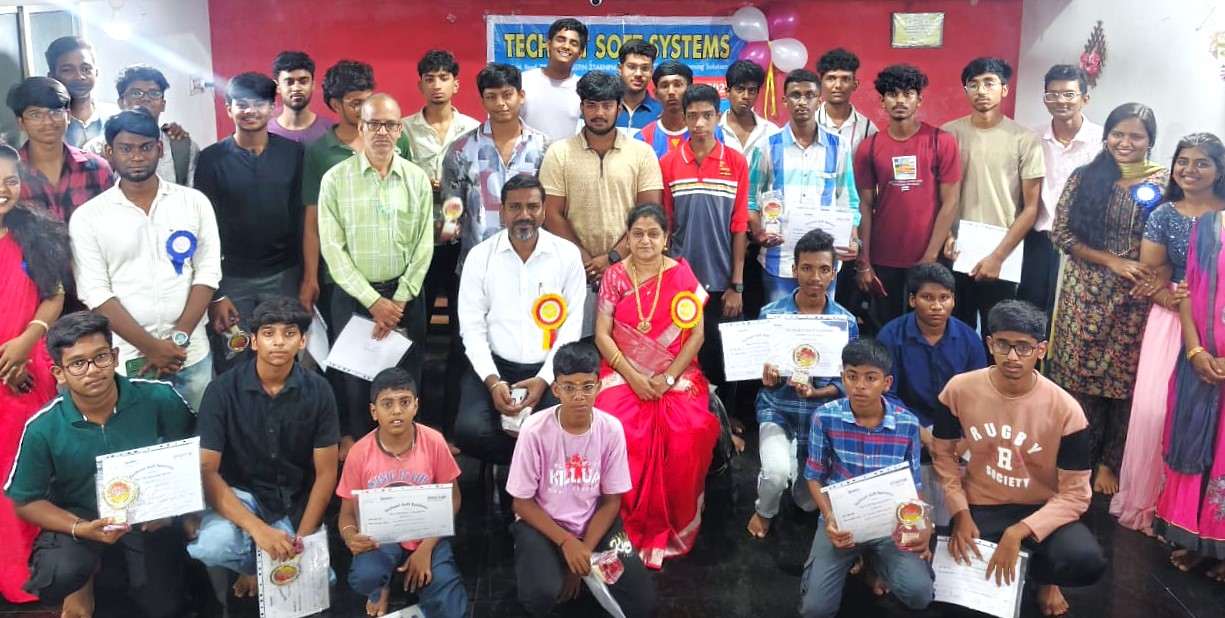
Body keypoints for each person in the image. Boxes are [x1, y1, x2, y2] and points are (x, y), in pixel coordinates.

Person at [5, 312, 195, 617]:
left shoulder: (158, 397)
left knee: (163, 606)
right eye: (78, 363)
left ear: (115, 356)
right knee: (60, 571)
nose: (92, 370)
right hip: (80, 516)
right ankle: (81, 584)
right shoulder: (43, 427)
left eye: (101, 357)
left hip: (148, 512)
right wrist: (81, 528)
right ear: (59, 373)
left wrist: (173, 508)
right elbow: (26, 502)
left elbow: (197, 453)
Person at [933, 300, 1106, 617]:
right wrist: (960, 513)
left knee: (1085, 560)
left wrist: (1018, 531)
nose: (1012, 356)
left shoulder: (1066, 410)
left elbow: (1076, 494)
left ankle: (1045, 579)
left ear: (1041, 350)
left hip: (1041, 506)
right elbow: (943, 456)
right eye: (1003, 344)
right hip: (981, 506)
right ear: (990, 344)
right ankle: (1017, 562)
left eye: (1024, 347)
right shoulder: (958, 390)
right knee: (958, 608)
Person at [592, 204, 721, 568]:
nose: (645, 241)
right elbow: (602, 335)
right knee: (619, 428)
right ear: (627, 238)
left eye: (653, 234)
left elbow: (696, 336)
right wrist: (633, 377)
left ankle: (677, 522)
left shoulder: (682, 276)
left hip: (677, 373)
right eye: (637, 234)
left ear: (666, 239)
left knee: (686, 432)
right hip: (622, 372)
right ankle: (619, 523)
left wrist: (667, 378)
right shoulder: (615, 276)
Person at [1048, 103, 1168, 496]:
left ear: (1150, 141)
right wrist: (1110, 260)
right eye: (1118, 134)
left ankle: (1108, 463)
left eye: (1136, 136)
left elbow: (1178, 238)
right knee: (1078, 378)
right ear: (1106, 136)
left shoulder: (1165, 184)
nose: (1125, 142)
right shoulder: (1086, 177)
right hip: (1083, 297)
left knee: (1124, 382)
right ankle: (1075, 460)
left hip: (1135, 299)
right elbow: (1061, 234)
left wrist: (1160, 275)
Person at [188, 297, 340, 603]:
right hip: (241, 496)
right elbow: (206, 471)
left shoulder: (319, 390)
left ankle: (260, 563)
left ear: (302, 341)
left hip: (293, 500)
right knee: (212, 546)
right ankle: (255, 564)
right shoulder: (222, 391)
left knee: (321, 583)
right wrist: (260, 532)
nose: (279, 342)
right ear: (254, 341)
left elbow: (326, 474)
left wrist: (300, 542)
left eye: (289, 333)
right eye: (269, 334)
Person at [69, 109, 220, 410]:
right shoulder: (88, 217)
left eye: (146, 147)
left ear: (159, 149)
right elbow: (95, 292)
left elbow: (207, 272)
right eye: (126, 149)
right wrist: (151, 347)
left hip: (190, 353)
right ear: (110, 153)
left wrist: (178, 339)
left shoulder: (193, 202)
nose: (136, 157)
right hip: (130, 358)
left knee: (199, 432)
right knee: (140, 436)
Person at [1116, 133, 1225, 535]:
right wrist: (1178, 301)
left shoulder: (1224, 216)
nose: (1189, 170)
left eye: (1202, 163)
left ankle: (1196, 518)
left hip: (1219, 325)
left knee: (1208, 423)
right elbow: (1150, 281)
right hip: (1171, 323)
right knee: (1156, 411)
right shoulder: (1164, 215)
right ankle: (1152, 505)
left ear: (1219, 170)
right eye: (1183, 161)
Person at [301, 60, 409, 458]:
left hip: (397, 286)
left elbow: (417, 229)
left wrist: (399, 292)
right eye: (356, 105)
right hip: (346, 284)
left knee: (397, 368)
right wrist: (313, 278)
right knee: (351, 370)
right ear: (338, 107)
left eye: (368, 100)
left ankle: (398, 446)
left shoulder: (401, 154)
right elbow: (318, 229)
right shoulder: (324, 158)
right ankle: (358, 447)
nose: (379, 128)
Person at [507, 341, 659, 617]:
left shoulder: (611, 429)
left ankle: (577, 571)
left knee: (643, 604)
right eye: (569, 387)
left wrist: (583, 553)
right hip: (543, 526)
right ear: (556, 390)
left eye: (587, 386)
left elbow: (611, 502)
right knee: (541, 595)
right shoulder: (534, 430)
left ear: (598, 387)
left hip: (594, 525)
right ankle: (542, 559)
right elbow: (521, 503)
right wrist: (567, 542)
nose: (579, 396)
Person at [319, 93, 433, 447]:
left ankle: (407, 456)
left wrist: (398, 300)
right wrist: (373, 301)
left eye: (389, 125)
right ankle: (366, 462)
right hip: (354, 298)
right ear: (361, 127)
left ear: (399, 129)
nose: (382, 132)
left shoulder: (416, 179)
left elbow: (424, 245)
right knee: (357, 388)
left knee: (405, 383)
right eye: (373, 124)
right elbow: (332, 249)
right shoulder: (335, 179)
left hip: (405, 299)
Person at [454, 175, 585, 465]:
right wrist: (493, 382)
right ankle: (521, 467)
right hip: (495, 366)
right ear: (502, 212)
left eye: (532, 207)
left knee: (565, 429)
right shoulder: (480, 257)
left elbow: (571, 329)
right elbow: (472, 330)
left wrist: (544, 379)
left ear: (543, 210)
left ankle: (521, 472)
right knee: (469, 431)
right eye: (515, 207)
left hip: (550, 368)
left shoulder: (567, 256)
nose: (524, 215)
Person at [798, 338, 928, 618]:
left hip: (890, 521)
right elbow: (814, 476)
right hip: (842, 521)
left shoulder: (907, 423)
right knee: (815, 610)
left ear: (887, 382)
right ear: (842, 377)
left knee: (919, 594)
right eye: (852, 376)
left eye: (871, 378)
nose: (860, 385)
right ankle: (856, 557)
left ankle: (874, 561)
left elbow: (914, 482)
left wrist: (922, 524)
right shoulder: (825, 417)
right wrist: (829, 518)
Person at [749, 229, 859, 539]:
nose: (815, 277)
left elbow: (848, 382)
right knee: (775, 475)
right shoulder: (770, 315)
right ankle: (764, 511)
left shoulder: (846, 323)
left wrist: (818, 392)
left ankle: (796, 469)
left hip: (819, 419)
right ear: (794, 269)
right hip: (778, 410)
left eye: (824, 269)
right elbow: (756, 366)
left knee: (808, 503)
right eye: (807, 268)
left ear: (834, 272)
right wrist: (766, 377)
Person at [196, 72, 306, 374]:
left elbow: (303, 218)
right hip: (233, 278)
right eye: (241, 104)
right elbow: (204, 230)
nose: (250, 111)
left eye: (258, 103)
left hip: (283, 275)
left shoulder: (293, 153)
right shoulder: (211, 159)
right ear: (228, 109)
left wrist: (305, 278)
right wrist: (217, 293)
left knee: (283, 354)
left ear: (272, 108)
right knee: (235, 358)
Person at [541, 70, 663, 336]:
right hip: (574, 272)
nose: (599, 113)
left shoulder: (642, 153)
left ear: (619, 108)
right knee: (575, 347)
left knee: (627, 347)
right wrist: (585, 261)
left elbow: (650, 215)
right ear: (581, 107)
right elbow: (551, 214)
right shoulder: (559, 153)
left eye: (607, 105)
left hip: (631, 269)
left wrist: (613, 258)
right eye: (592, 105)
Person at [0, 144, 71, 603]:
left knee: (33, 475)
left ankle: (41, 576)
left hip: (32, 377)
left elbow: (55, 293)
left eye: (9, 180)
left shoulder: (36, 232)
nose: (2, 190)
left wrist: (27, 341)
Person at [337, 368, 466, 618]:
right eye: (387, 404)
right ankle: (381, 587)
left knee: (451, 609)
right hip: (381, 540)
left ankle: (421, 580)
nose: (397, 411)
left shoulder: (434, 442)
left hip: (428, 536)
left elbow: (454, 499)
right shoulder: (359, 453)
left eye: (404, 402)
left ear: (415, 406)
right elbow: (346, 515)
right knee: (365, 576)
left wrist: (425, 549)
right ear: (374, 411)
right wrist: (351, 537)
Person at [660, 83, 748, 424]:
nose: (699, 123)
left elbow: (739, 225)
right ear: (683, 117)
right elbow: (666, 225)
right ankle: (691, 421)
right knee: (686, 356)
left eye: (707, 115)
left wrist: (736, 284)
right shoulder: (668, 163)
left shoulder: (735, 162)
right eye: (693, 116)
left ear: (718, 117)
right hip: (681, 284)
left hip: (723, 283)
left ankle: (727, 424)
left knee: (724, 358)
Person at [853, 65, 962, 329]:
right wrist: (864, 261)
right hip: (883, 257)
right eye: (893, 94)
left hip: (931, 256)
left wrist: (930, 256)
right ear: (883, 101)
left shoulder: (941, 141)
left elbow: (950, 202)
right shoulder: (869, 148)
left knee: (929, 328)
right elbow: (864, 206)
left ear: (919, 99)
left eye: (908, 94)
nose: (900, 100)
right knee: (886, 328)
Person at [1153, 183, 1225, 580]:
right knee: (1201, 447)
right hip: (1200, 361)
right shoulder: (1209, 226)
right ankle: (1201, 542)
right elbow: (1187, 291)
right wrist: (1195, 350)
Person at [877, 263, 987, 522]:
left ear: (953, 300)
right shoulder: (891, 336)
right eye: (928, 297)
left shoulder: (969, 339)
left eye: (944, 298)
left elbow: (980, 397)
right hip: (909, 422)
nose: (937, 306)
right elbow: (887, 395)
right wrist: (926, 436)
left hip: (958, 427)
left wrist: (961, 441)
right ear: (912, 300)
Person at [941, 57, 1044, 331]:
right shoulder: (948, 135)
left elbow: (1031, 208)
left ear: (1004, 89)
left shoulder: (1024, 139)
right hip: (956, 251)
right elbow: (938, 197)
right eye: (973, 84)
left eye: (989, 83)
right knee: (956, 332)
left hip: (1003, 254)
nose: (981, 91)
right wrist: (947, 235)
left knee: (997, 334)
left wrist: (998, 256)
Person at [404, 50, 479, 409]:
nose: (437, 85)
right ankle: (411, 406)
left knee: (461, 330)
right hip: (419, 242)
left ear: (456, 84)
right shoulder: (403, 129)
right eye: (430, 78)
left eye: (444, 78)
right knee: (415, 329)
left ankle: (453, 413)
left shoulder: (472, 130)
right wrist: (426, 185)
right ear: (420, 84)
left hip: (461, 243)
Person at [747, 69, 859, 304]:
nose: (802, 102)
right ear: (784, 100)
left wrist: (853, 240)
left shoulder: (838, 147)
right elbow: (749, 198)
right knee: (779, 323)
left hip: (824, 264)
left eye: (809, 95)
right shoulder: (767, 147)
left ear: (819, 100)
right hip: (779, 260)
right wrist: (758, 233)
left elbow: (848, 201)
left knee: (821, 323)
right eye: (795, 95)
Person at [442, 62, 550, 264]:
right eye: (492, 97)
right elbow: (452, 202)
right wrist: (449, 228)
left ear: (521, 96)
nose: (500, 103)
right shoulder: (461, 149)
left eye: (507, 95)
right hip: (478, 260)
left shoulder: (544, 147)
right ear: (482, 101)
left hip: (533, 260)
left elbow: (550, 206)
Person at [1022, 65, 1103, 316]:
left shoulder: (1102, 141)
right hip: (1039, 241)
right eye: (1053, 94)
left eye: (1068, 94)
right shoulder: (1031, 138)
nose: (1060, 100)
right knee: (1032, 309)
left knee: (1074, 312)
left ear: (1084, 99)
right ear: (1045, 99)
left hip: (1083, 242)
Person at [7, 76, 113, 223]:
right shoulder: (8, 174)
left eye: (55, 112)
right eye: (36, 115)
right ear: (21, 122)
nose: (47, 122)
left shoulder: (98, 168)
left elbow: (112, 225)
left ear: (68, 116)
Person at [83, 64, 200, 187]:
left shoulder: (184, 148)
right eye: (136, 93)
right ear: (121, 102)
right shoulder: (95, 150)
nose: (145, 99)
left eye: (154, 93)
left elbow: (191, 193)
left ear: (163, 104)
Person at [45, 36, 119, 148]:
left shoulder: (117, 116)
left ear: (96, 73)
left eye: (85, 69)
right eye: (67, 70)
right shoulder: (44, 124)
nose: (79, 77)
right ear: (51, 77)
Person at [520, 18, 587, 142]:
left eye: (573, 43)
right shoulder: (524, 81)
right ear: (549, 44)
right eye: (561, 40)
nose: (566, 46)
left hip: (567, 155)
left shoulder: (584, 89)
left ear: (580, 53)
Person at [635, 62, 719, 159]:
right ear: (656, 94)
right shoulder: (643, 138)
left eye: (677, 85)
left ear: (689, 90)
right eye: (664, 86)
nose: (671, 92)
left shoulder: (714, 133)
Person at [814, 49, 878, 156]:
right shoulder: (808, 123)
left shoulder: (867, 128)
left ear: (855, 85)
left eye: (845, 79)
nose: (838, 85)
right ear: (820, 84)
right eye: (831, 78)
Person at [268, 50, 334, 144]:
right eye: (289, 82)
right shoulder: (265, 133)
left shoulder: (331, 132)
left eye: (303, 81)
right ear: (277, 87)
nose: (296, 88)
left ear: (313, 84)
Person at [720, 59, 780, 157]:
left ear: (757, 94)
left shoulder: (771, 132)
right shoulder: (714, 131)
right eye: (740, 89)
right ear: (727, 92)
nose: (746, 96)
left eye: (752, 91)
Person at [616, 40, 660, 132]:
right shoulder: (606, 109)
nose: (638, 74)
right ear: (620, 69)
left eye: (645, 68)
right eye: (632, 67)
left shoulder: (661, 113)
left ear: (651, 71)